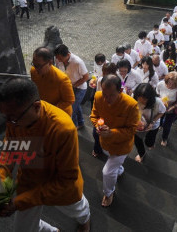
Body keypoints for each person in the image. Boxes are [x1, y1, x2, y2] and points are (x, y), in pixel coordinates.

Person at [0, 78, 90, 231]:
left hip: (59, 186)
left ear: (36, 106)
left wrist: (19, 202)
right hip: (29, 181)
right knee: (23, 229)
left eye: (12, 117)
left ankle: (85, 221)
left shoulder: (63, 129)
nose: (9, 122)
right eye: (4, 116)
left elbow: (66, 179)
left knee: (78, 209)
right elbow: (10, 146)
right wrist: (1, 177)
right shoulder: (14, 120)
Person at [90, 74, 139, 207]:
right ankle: (120, 170)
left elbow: (131, 130)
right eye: (104, 94)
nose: (106, 99)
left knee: (107, 172)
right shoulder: (98, 96)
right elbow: (94, 115)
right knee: (114, 165)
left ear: (121, 91)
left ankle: (108, 192)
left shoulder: (131, 105)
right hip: (104, 142)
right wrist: (98, 126)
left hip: (121, 146)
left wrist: (111, 132)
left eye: (111, 95)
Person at [30, 47, 75, 116]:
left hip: (60, 114)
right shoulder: (33, 71)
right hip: (43, 111)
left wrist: (49, 110)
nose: (36, 69)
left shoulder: (62, 79)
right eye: (34, 64)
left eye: (39, 66)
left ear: (50, 63)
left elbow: (69, 100)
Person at [54, 44, 89, 129]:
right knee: (76, 105)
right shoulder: (58, 59)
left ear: (67, 55)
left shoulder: (78, 62)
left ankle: (74, 127)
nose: (58, 60)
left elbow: (86, 77)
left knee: (71, 108)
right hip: (69, 86)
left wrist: (73, 85)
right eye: (57, 58)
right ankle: (80, 123)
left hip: (80, 88)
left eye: (60, 58)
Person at [133, 83, 165, 163]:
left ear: (150, 98)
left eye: (144, 99)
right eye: (138, 98)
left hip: (152, 124)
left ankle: (150, 144)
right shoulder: (133, 97)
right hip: (138, 124)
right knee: (137, 140)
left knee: (149, 142)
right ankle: (142, 154)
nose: (141, 101)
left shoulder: (157, 102)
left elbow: (162, 112)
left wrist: (152, 122)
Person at [156, 72, 177, 146]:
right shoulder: (160, 84)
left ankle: (164, 138)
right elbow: (157, 92)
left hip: (171, 110)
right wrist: (160, 100)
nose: (170, 86)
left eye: (173, 84)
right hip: (161, 107)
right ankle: (160, 125)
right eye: (169, 83)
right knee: (160, 118)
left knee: (167, 125)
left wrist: (173, 107)